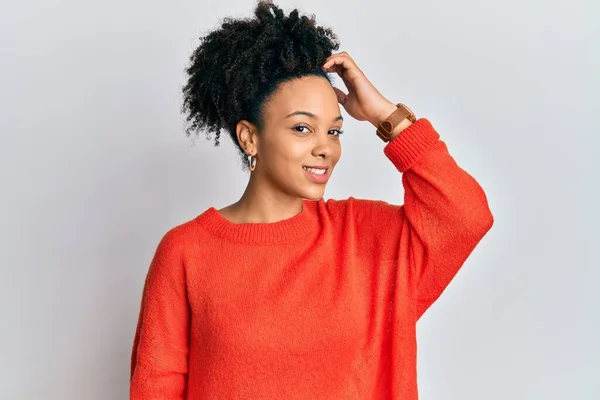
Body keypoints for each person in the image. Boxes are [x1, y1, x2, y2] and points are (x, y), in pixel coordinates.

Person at [129, 1, 494, 399]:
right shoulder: (186, 252)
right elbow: (156, 388)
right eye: (303, 128)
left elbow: (466, 215)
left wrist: (384, 117)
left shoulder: (365, 240)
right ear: (250, 137)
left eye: (334, 131)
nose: (326, 149)